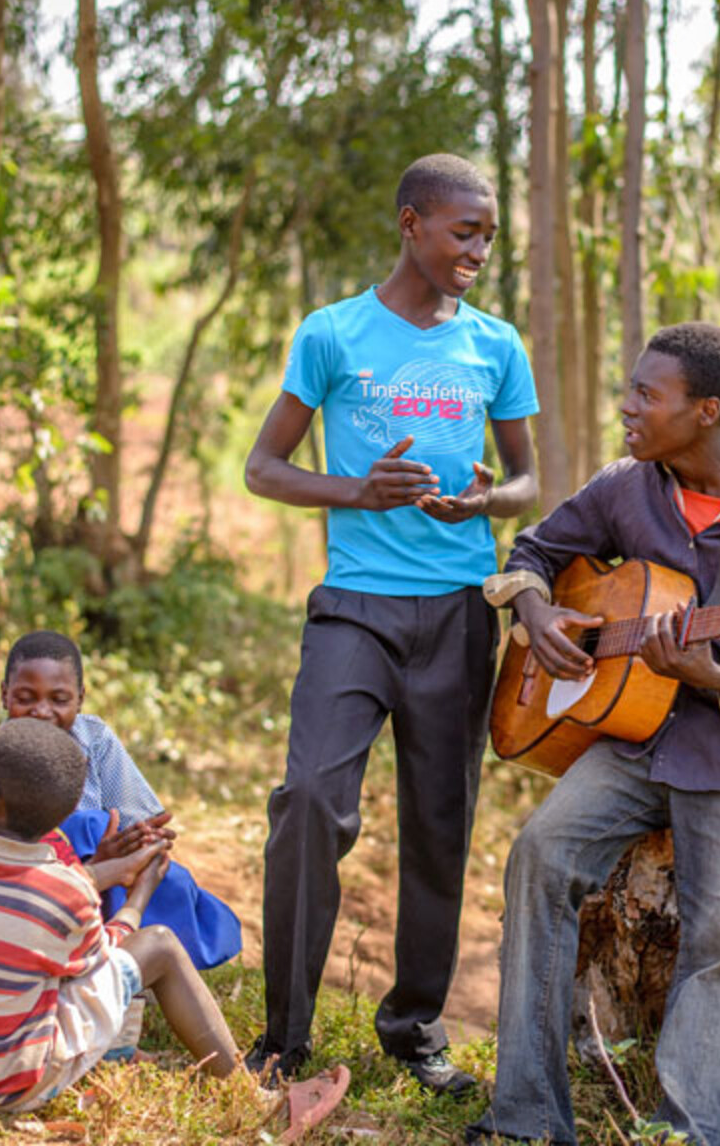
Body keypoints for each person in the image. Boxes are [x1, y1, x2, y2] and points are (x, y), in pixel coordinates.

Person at [467, 322, 720, 1146]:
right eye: (630, 387)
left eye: (646, 394)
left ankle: (687, 1132)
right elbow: (535, 548)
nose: (626, 405)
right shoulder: (625, 485)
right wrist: (538, 611)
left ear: (705, 411)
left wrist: (712, 674)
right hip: (636, 739)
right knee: (539, 857)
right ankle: (526, 1118)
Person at [242, 152, 540, 1093]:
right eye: (465, 232)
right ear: (412, 223)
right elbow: (264, 467)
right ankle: (284, 1036)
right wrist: (357, 492)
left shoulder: (495, 345)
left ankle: (413, 1030)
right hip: (355, 611)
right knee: (308, 805)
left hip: (458, 614)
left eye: (488, 236)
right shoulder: (333, 335)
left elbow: (533, 482)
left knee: (440, 826)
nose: (478, 251)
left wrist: (488, 505)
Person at [0, 717, 350, 1132]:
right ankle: (256, 1099)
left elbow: (15, 890)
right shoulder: (64, 893)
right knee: (161, 946)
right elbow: (104, 958)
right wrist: (139, 891)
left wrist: (105, 871)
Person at [2, 630, 242, 970]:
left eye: (59, 700)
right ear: (4, 694)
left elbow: (135, 816)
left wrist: (143, 838)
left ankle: (151, 953)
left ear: (80, 699)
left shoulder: (94, 737)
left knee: (163, 871)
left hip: (108, 869)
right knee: (90, 824)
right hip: (39, 877)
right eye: (26, 698)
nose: (42, 712)